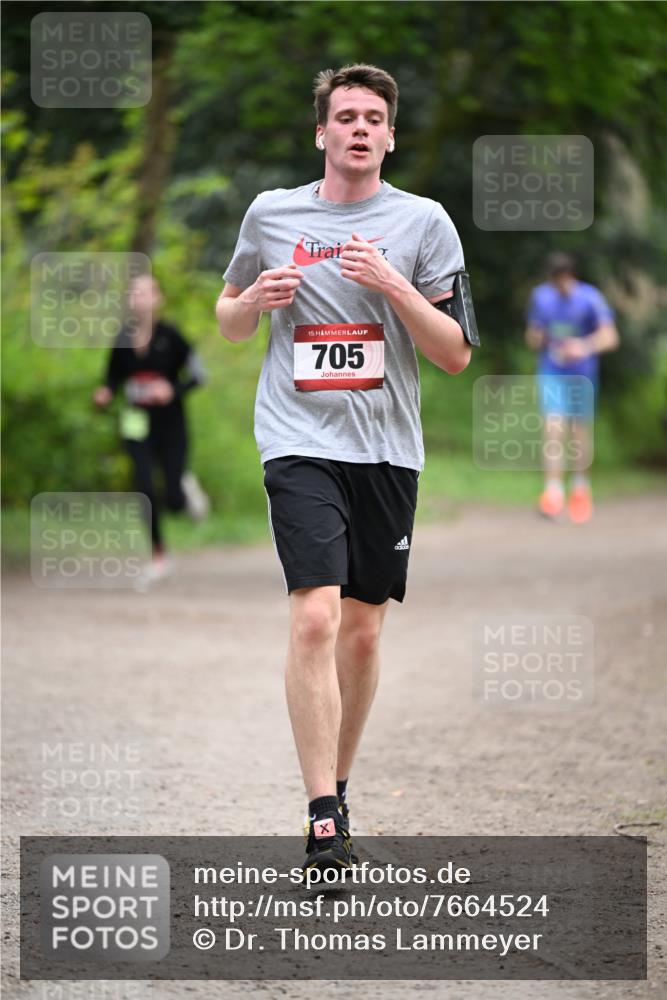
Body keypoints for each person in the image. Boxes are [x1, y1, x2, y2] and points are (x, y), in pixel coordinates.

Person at [215, 64, 472, 877]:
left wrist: (392, 284)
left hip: (387, 449)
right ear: (321, 132)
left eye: (373, 118)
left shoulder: (424, 222)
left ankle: (341, 784)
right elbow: (226, 320)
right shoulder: (272, 214)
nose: (359, 128)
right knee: (316, 617)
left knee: (361, 632)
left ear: (389, 135)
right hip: (297, 438)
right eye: (345, 116)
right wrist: (254, 298)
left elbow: (456, 354)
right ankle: (322, 815)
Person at [93, 274, 209, 584]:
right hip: (136, 423)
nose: (138, 298)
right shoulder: (121, 338)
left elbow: (199, 375)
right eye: (133, 293)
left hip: (171, 424)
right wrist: (105, 392)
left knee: (172, 499)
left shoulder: (171, 336)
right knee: (143, 487)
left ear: (157, 298)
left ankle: (184, 490)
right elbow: (112, 377)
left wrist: (172, 389)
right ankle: (158, 554)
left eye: (144, 293)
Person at [525, 253, 619, 523]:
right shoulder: (541, 297)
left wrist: (584, 346)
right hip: (552, 372)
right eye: (555, 282)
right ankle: (553, 493)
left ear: (571, 276)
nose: (559, 287)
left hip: (583, 375)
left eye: (563, 281)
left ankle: (580, 490)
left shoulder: (590, 298)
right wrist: (538, 338)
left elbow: (611, 337)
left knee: (579, 433)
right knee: (553, 428)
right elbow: (532, 334)